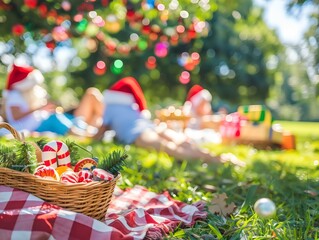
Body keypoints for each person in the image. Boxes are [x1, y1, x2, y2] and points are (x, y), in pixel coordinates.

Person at [94, 77, 245, 166]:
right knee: (183, 143)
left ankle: (218, 161)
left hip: (138, 134)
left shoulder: (109, 106)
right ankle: (221, 159)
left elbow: (100, 133)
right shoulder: (130, 106)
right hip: (151, 126)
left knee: (172, 149)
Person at [1, 64, 104, 136]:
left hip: (40, 122)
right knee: (57, 119)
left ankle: (92, 131)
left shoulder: (20, 94)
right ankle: (88, 134)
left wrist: (44, 110)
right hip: (35, 126)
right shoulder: (15, 95)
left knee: (67, 119)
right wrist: (40, 107)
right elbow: (16, 116)